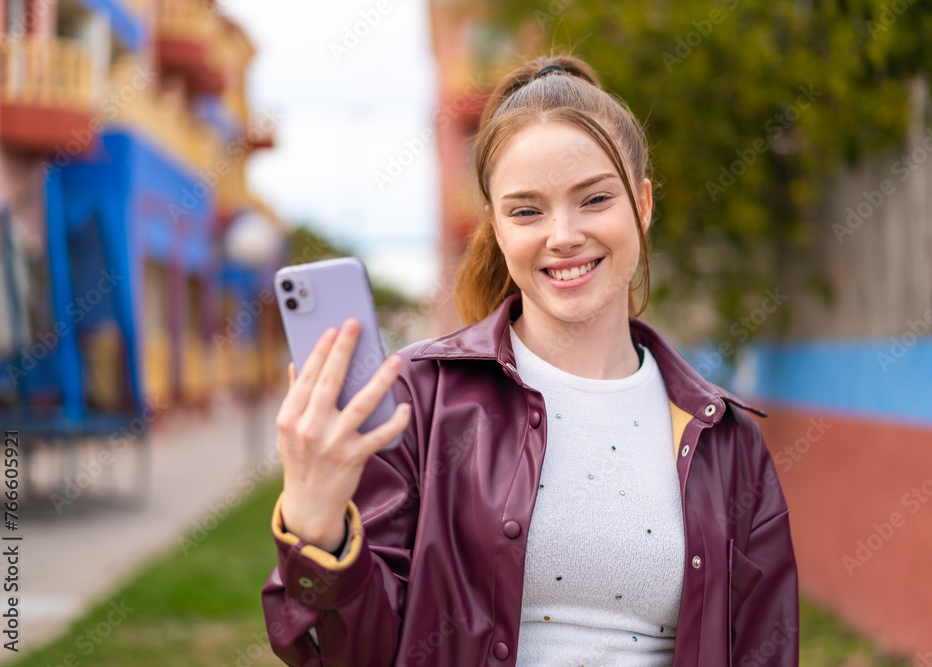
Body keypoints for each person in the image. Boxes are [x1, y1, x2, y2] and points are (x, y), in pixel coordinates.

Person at [262, 54, 798, 667]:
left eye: (594, 199)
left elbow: (766, 651)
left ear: (642, 205)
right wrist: (315, 521)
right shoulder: (419, 402)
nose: (563, 234)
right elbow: (346, 653)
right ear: (495, 226)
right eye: (526, 210)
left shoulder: (728, 443)